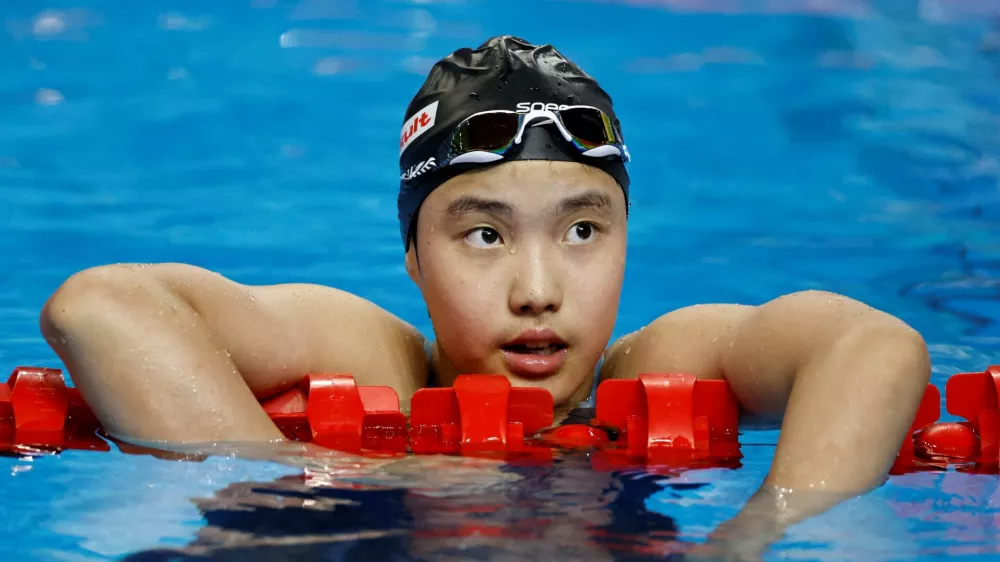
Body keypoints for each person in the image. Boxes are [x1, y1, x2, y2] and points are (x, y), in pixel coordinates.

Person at [40, 36, 930, 558]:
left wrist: (757, 533)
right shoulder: (374, 360)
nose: (537, 293)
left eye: (583, 231)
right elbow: (102, 307)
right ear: (413, 258)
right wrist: (283, 492)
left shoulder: (657, 368)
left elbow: (873, 348)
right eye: (485, 236)